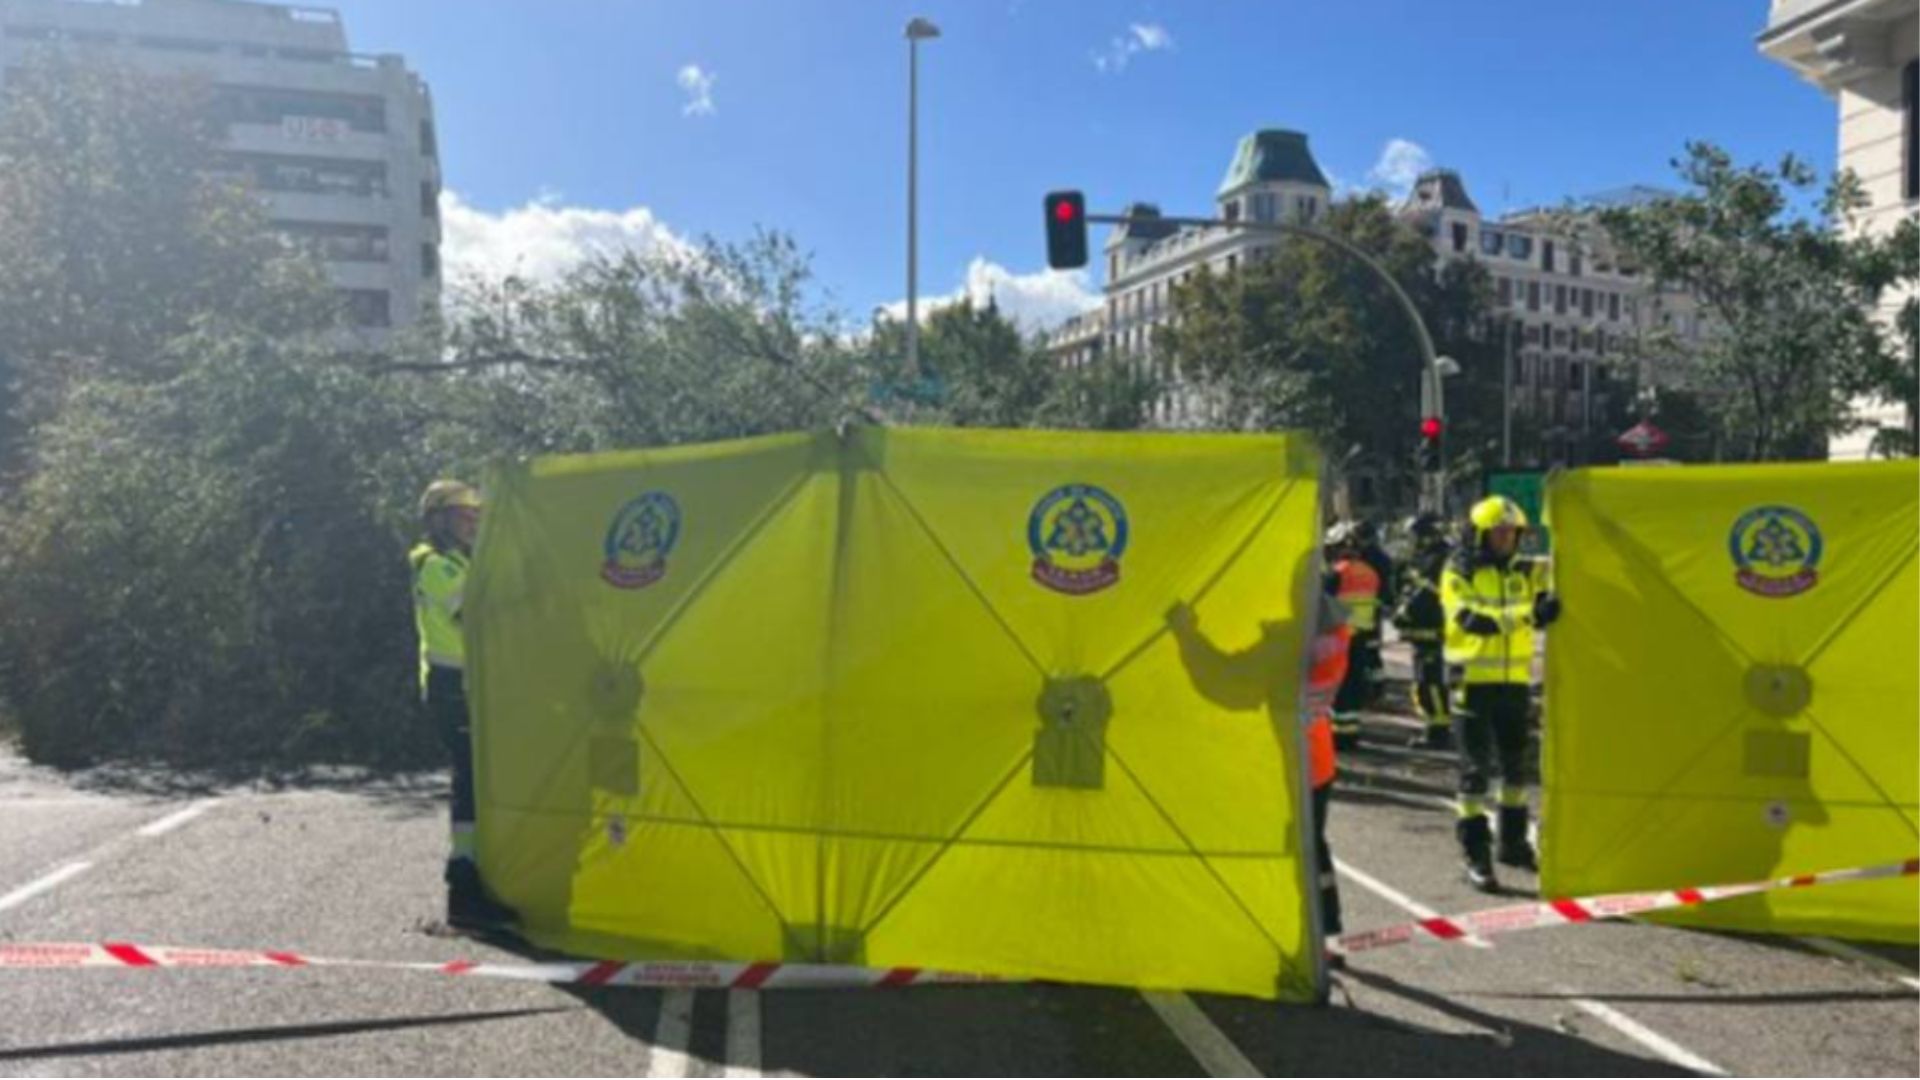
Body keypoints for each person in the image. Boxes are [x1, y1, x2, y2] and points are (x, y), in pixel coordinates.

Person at [411, 479, 518, 930]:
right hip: (452, 686)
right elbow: (479, 617)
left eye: (476, 515)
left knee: (484, 782)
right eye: (462, 515)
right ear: (438, 519)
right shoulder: (436, 565)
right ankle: (464, 887)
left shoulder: (465, 560)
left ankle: (476, 880)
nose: (472, 522)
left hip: (475, 684)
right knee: (471, 782)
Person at [1442, 495, 1560, 892]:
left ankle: (1513, 845)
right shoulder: (1458, 571)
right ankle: (1476, 853)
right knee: (1475, 774)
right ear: (1479, 534)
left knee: (1516, 769)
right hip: (1471, 683)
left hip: (1514, 683)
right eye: (1499, 532)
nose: (1506, 539)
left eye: (1513, 532)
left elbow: (1554, 580)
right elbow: (1472, 620)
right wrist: (1528, 616)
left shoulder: (1526, 571)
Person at [1304, 574, 1353, 965]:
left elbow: (1227, 680)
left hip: (1287, 760)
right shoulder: (1334, 629)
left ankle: (1307, 935)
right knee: (1315, 849)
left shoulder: (1287, 636)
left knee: (1297, 850)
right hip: (1318, 756)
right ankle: (1327, 935)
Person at [1393, 512, 1453, 750]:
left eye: (1416, 535)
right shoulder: (1428, 557)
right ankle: (1433, 727)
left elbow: (1426, 595)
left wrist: (1404, 613)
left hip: (1432, 630)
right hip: (1423, 631)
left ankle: (1438, 732)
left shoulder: (1438, 559)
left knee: (1431, 682)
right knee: (1424, 682)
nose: (1413, 541)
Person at [1326, 521, 1381, 749]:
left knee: (1339, 686)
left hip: (1340, 636)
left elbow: (1324, 603)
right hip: (1363, 635)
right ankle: (1351, 732)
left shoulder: (1336, 573)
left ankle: (1340, 736)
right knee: (1354, 683)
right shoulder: (1369, 572)